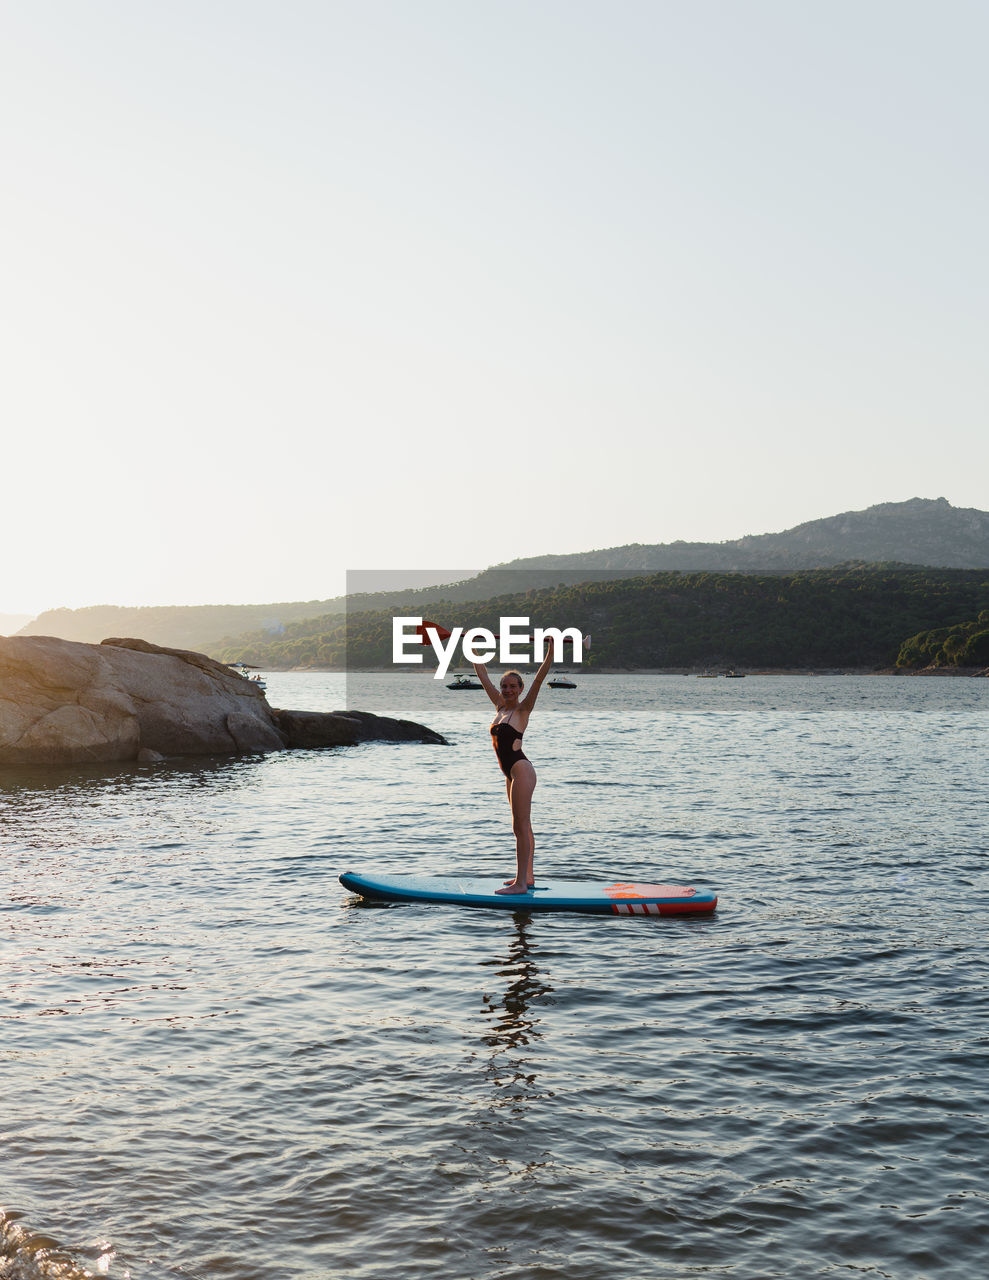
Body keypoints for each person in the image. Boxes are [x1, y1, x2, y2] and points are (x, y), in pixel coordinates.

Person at [473, 644, 554, 894]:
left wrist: (551, 650)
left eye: (512, 686)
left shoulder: (523, 708)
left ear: (520, 689)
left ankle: (520, 884)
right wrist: (473, 648)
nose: (507, 690)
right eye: (504, 686)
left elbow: (540, 677)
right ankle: (527, 878)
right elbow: (482, 674)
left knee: (522, 824)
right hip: (509, 773)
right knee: (520, 826)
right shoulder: (499, 707)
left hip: (521, 770)